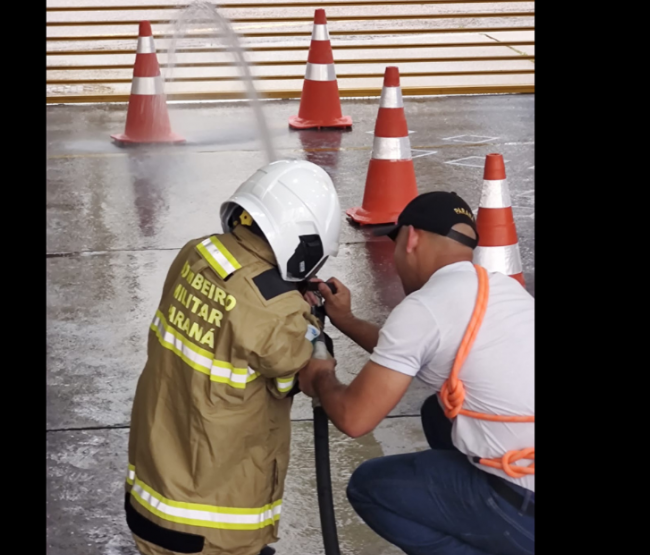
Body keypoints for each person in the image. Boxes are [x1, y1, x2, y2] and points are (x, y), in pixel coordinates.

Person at [124, 159, 342, 555]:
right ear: (305, 244)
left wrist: (289, 295)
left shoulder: (197, 255)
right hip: (212, 531)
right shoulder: (279, 313)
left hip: (150, 501)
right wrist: (313, 324)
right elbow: (304, 371)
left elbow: (235, 317)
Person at [298, 191, 534, 555]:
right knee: (436, 413)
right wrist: (345, 320)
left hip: (523, 504)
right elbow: (408, 352)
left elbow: (354, 418)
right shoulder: (502, 290)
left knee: (369, 486)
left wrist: (319, 378)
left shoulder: (425, 307)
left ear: (411, 238)